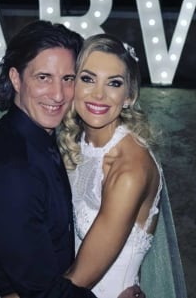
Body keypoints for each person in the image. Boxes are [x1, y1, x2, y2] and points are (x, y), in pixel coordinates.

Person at [0, 21, 144, 298]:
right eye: (43, 77)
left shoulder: (34, 135)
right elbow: (44, 293)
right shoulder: (13, 171)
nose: (58, 95)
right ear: (16, 79)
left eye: (68, 79)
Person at [58, 34, 162, 298]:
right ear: (73, 84)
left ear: (129, 96)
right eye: (88, 79)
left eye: (114, 83)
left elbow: (78, 282)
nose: (99, 94)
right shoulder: (76, 141)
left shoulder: (129, 171)